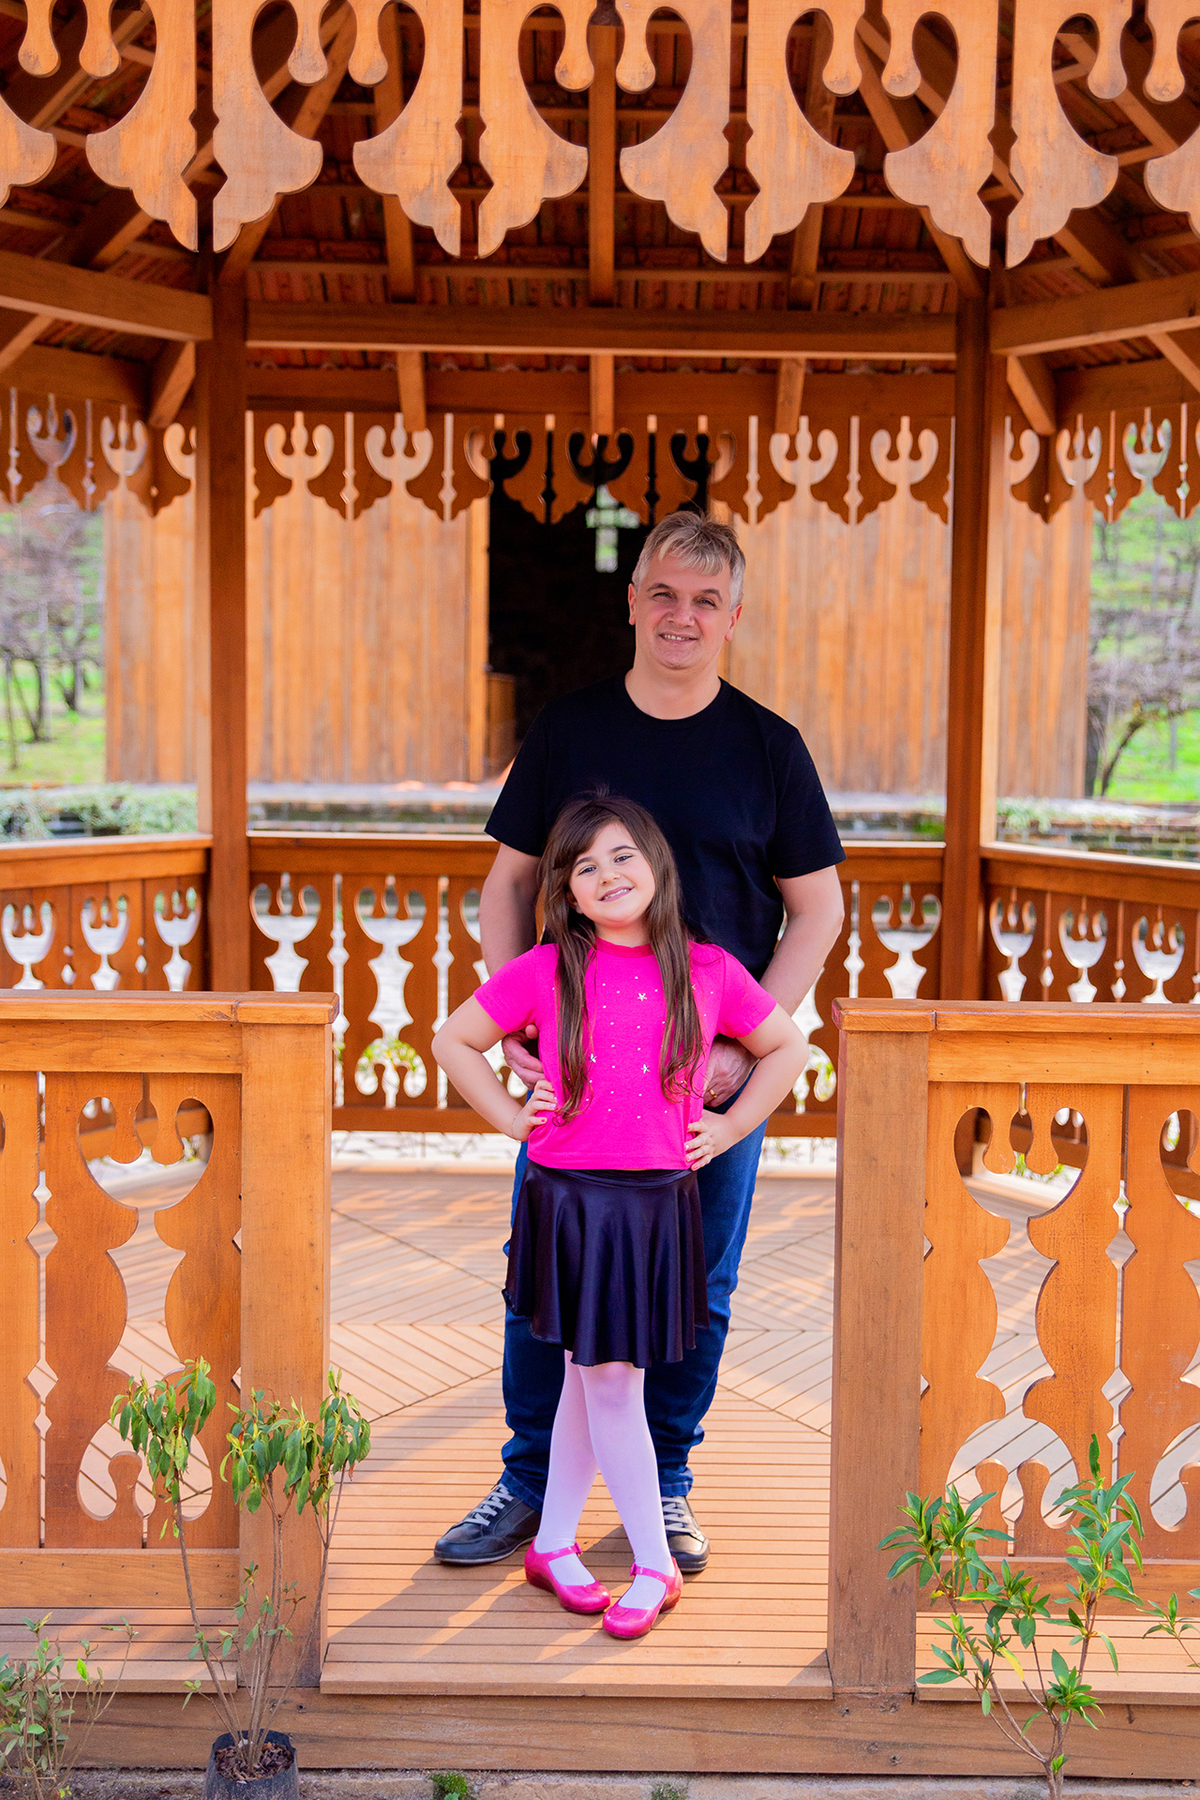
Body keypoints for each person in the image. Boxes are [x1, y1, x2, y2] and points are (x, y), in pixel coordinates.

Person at [434, 511, 845, 1573]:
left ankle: (663, 1480)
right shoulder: (571, 731)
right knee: (547, 1274)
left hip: (704, 1087)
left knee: (696, 1285)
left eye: (706, 600)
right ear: (632, 602)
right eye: (664, 593)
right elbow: (509, 882)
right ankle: (530, 1482)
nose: (683, 616)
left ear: (734, 616)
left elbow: (819, 912)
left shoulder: (769, 748)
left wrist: (753, 1050)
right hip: (579, 1080)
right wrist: (521, 1017)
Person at [433, 793, 808, 1637]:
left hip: (653, 1204)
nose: (607, 876)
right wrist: (508, 1115)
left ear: (657, 866)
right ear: (564, 891)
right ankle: (653, 1562)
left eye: (622, 856)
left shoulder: (707, 969)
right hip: (567, 1202)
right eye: (584, 866)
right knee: (598, 1377)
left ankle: (556, 1544)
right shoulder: (546, 968)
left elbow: (789, 1046)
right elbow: (453, 1040)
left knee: (592, 1380)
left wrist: (731, 1124)